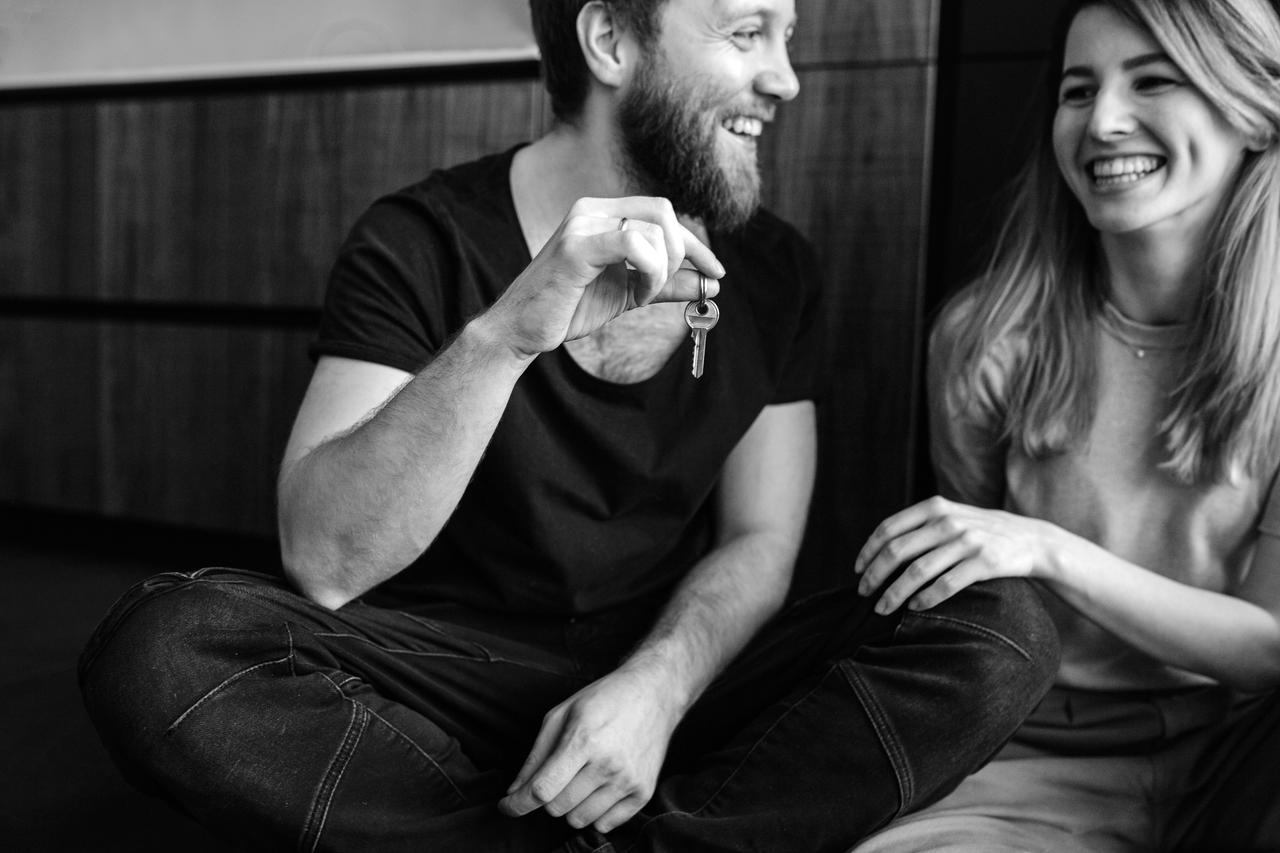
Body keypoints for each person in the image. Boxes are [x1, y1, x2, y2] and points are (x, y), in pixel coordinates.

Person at [77, 1, 1058, 850]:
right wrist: (507, 332)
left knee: (997, 627)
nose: (786, 79)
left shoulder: (774, 270)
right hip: (433, 687)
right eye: (747, 33)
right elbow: (328, 560)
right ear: (607, 40)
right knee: (162, 648)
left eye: (787, 36)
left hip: (672, 671)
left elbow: (761, 539)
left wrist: (653, 693)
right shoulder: (417, 241)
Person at [851, 1, 1280, 850]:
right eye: (1077, 90)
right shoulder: (988, 341)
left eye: (1153, 80)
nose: (1104, 121)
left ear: (1253, 112)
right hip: (1029, 763)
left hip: (1243, 763)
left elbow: (1271, 645)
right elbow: (977, 617)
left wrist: (1046, 545)